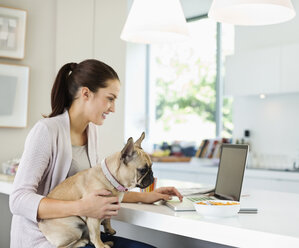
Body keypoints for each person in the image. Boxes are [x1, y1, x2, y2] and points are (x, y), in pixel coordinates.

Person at [9, 59, 183, 248]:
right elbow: (18, 200)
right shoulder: (46, 131)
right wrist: (81, 207)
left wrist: (146, 196)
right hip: (46, 240)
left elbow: (96, 191)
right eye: (110, 98)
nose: (113, 108)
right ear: (86, 94)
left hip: (81, 236)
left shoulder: (91, 132)